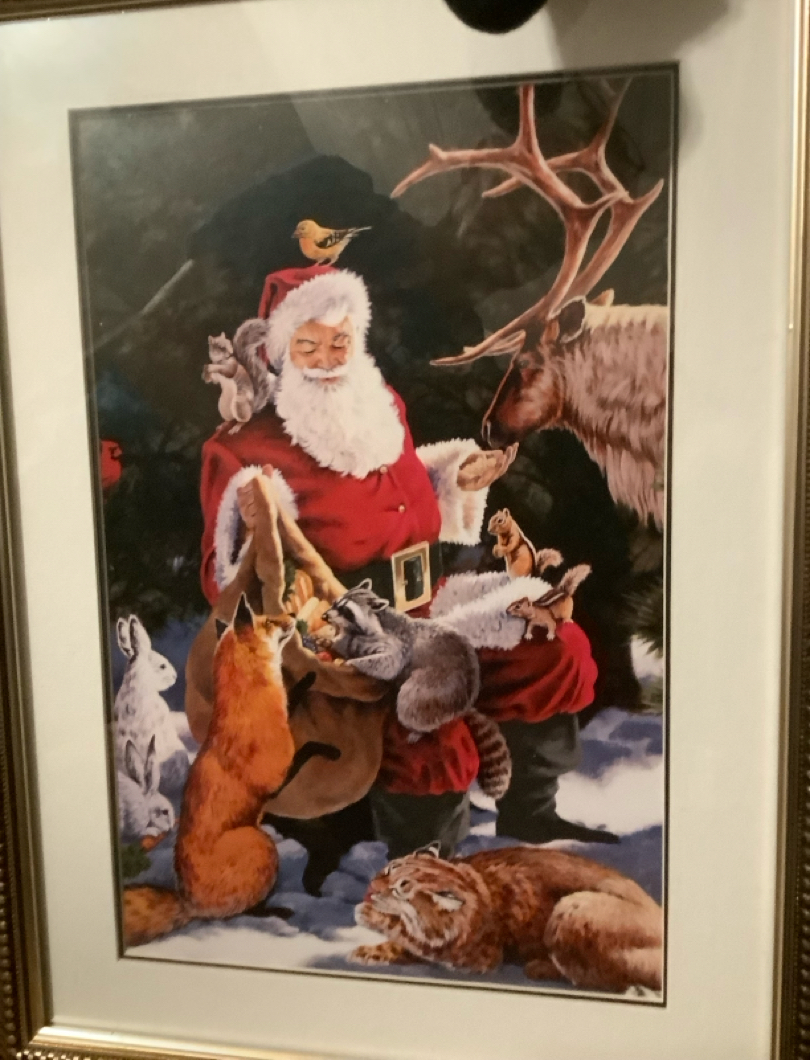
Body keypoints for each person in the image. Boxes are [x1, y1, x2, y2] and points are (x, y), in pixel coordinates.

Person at [198, 263, 611, 859]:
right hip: (346, 638)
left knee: (551, 646)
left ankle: (533, 813)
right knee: (431, 732)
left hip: (428, 603)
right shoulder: (242, 447)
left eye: (340, 341)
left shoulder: (381, 403)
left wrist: (452, 478)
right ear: (279, 349)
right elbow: (223, 577)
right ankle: (429, 865)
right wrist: (260, 544)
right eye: (308, 346)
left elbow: (390, 498)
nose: (328, 359)